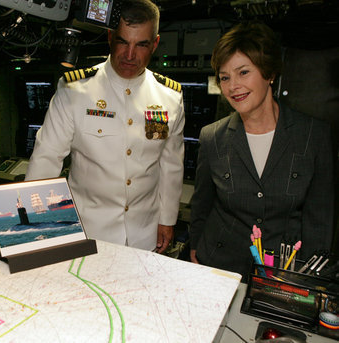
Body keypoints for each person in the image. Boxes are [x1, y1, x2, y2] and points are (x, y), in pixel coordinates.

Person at [25, 0, 185, 254]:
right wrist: (33, 227)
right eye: (123, 41)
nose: (130, 55)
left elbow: (170, 165)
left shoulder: (169, 97)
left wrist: (167, 219)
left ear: (154, 44)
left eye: (141, 44)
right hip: (88, 232)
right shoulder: (75, 90)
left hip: (144, 234)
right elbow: (46, 159)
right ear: (110, 37)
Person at [189, 21, 334, 280]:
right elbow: (201, 206)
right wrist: (196, 249)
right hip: (219, 267)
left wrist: (310, 279)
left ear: (269, 73)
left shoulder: (314, 136)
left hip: (285, 275)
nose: (233, 86)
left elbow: (319, 220)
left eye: (243, 72)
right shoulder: (212, 137)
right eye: (225, 77)